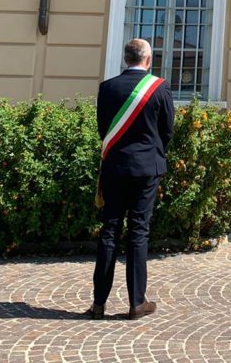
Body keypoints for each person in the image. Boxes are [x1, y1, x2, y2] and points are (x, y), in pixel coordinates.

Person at [85, 38, 174, 320]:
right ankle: (136, 304)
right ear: (148, 59)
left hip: (115, 167)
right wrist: (152, 154)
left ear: (126, 58)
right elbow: (167, 131)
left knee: (109, 231)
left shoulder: (107, 88)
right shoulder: (159, 88)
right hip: (147, 169)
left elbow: (103, 129)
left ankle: (99, 304)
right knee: (138, 232)